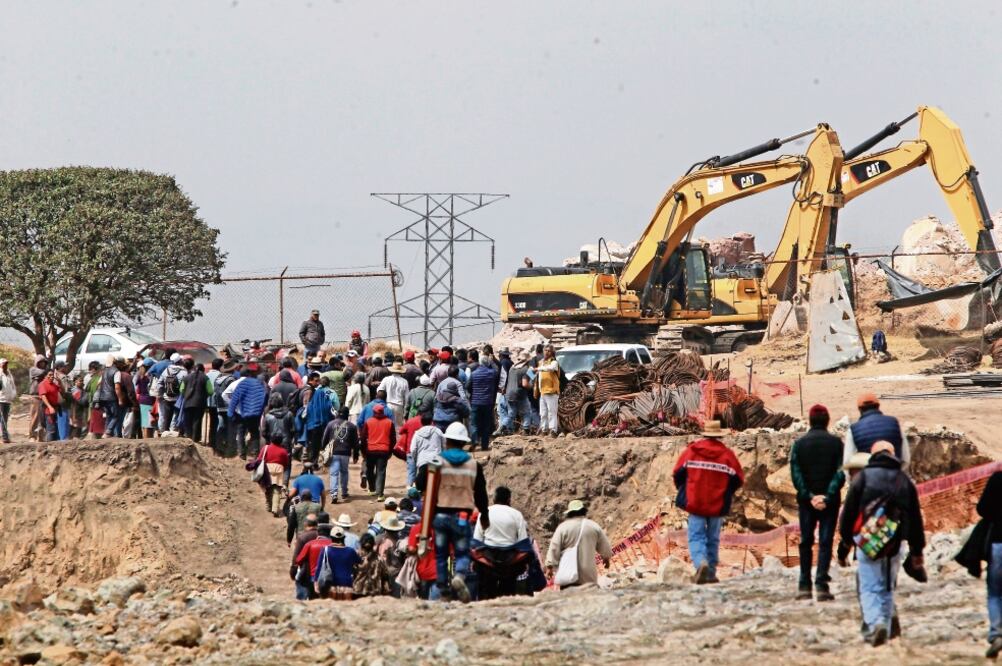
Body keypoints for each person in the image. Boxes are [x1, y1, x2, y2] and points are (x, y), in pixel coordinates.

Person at [837, 442, 926, 646]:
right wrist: (917, 549)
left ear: (872, 456)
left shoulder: (864, 478)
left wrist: (845, 542)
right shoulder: (903, 480)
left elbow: (848, 513)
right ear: (893, 455)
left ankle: (875, 623)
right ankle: (884, 625)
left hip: (867, 539)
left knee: (868, 587)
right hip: (894, 542)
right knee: (887, 585)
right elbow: (914, 517)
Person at [415, 422, 489, 602]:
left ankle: (443, 589)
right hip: (462, 517)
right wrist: (485, 517)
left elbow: (420, 482)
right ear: (464, 443)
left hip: (440, 516)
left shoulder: (437, 461)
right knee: (462, 552)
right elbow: (481, 494)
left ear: (447, 441)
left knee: (441, 554)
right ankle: (459, 577)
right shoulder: (474, 465)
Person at [672, 420, 745, 584]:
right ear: (719, 435)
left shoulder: (691, 452)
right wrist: (726, 492)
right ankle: (710, 573)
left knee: (696, 537)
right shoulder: (727, 456)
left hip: (695, 502)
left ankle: (701, 564)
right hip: (717, 504)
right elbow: (738, 479)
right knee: (713, 538)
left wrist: (685, 490)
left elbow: (677, 474)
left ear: (704, 434)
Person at [789, 404, 844, 601]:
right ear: (827, 421)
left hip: (806, 502)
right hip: (829, 502)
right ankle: (821, 584)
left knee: (806, 541)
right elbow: (840, 473)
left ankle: (804, 584)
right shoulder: (836, 443)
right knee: (826, 541)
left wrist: (809, 496)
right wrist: (827, 495)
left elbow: (796, 474)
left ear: (810, 421)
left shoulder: (800, 444)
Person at [473, 486, 531, 599]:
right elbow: (523, 542)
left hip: (488, 559)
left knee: (486, 591)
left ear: (494, 499)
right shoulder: (517, 515)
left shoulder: (484, 513)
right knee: (508, 591)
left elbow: (477, 540)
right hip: (510, 561)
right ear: (509, 500)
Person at [545, 500, 613, 589]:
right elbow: (604, 546)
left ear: (569, 513)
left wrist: (549, 567)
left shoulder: (562, 528)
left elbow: (554, 548)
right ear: (583, 511)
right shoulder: (593, 526)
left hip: (568, 575)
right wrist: (606, 558)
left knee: (571, 600)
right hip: (588, 575)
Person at [844, 393, 910, 468]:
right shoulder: (894, 423)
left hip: (867, 475)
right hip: (894, 471)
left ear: (859, 409)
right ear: (878, 406)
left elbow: (848, 461)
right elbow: (905, 458)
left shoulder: (854, 429)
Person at [976, 471, 1002, 658]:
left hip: (998, 542)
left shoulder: (997, 479)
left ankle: (997, 633)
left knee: (995, 592)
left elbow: (982, 509)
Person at [228, 362, 267, 459]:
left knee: (241, 432)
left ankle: (241, 454)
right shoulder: (259, 384)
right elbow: (264, 397)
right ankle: (255, 454)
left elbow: (234, 399)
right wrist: (261, 410)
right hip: (255, 413)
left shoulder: (242, 384)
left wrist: (230, 413)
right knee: (254, 433)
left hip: (242, 413)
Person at [322, 406, 359, 504]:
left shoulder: (331, 424)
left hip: (334, 452)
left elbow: (324, 439)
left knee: (334, 473)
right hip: (346, 453)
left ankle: (334, 494)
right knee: (344, 472)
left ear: (338, 413)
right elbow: (355, 443)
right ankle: (344, 492)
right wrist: (356, 455)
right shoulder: (352, 426)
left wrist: (323, 450)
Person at [248, 434, 292, 516]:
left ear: (271, 440)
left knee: (267, 488)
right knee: (277, 490)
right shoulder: (283, 451)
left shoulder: (266, 448)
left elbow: (260, 458)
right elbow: (286, 463)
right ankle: (275, 509)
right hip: (279, 470)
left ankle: (268, 505)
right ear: (281, 441)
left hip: (267, 469)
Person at [360, 403, 395, 501]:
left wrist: (363, 451)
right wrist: (390, 451)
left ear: (373, 412)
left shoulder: (368, 422)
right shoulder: (389, 422)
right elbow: (393, 439)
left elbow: (363, 438)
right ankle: (380, 494)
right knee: (381, 472)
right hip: (384, 451)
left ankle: (372, 489)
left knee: (369, 470)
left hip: (370, 451)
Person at [316, 528, 362, 600]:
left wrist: (316, 583)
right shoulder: (351, 551)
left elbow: (319, 568)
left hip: (330, 586)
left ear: (331, 538)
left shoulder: (325, 550)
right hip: (347, 585)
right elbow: (359, 563)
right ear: (343, 538)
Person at [295, 518, 334, 599]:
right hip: (331, 578)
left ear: (318, 533)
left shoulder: (310, 544)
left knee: (313, 600)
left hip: (313, 577)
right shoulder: (334, 545)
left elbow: (298, 560)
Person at [262, 392, 295, 480]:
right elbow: (293, 430)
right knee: (287, 464)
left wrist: (269, 439)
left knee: (272, 462)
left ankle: (272, 482)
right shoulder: (289, 414)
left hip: (272, 443)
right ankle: (284, 484)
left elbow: (263, 432)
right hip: (286, 442)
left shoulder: (268, 416)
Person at [468, 357, 499, 451]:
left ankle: (475, 440)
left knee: (474, 423)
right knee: (486, 424)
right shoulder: (492, 373)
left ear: (480, 363)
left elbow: (468, 386)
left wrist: (473, 393)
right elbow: (497, 369)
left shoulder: (473, 374)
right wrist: (492, 360)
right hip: (488, 402)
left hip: (475, 402)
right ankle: (484, 445)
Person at [181, 356, 212, 443]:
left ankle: (189, 438)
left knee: (188, 421)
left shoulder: (186, 378)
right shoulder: (205, 378)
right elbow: (210, 391)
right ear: (203, 370)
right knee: (197, 421)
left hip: (187, 402)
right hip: (200, 403)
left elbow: (181, 390)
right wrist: (205, 395)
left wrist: (186, 395)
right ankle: (196, 439)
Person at [290, 513, 321, 600]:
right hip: (320, 573)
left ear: (306, 524)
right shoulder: (321, 536)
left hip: (305, 572)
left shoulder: (302, 537)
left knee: (301, 599)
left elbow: (297, 557)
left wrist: (293, 571)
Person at [213, 360, 239, 456]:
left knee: (221, 427)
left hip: (219, 406)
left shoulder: (217, 379)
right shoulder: (231, 380)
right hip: (229, 406)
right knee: (231, 428)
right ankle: (230, 449)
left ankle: (219, 448)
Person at [97, 356, 127, 438]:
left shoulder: (104, 372)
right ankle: (108, 432)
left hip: (103, 397)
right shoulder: (116, 372)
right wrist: (120, 399)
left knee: (109, 415)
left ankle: (106, 433)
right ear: (115, 363)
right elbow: (117, 387)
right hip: (112, 397)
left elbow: (98, 384)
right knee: (116, 415)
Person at [157, 353, 187, 433]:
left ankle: (166, 432)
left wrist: (160, 394)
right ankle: (175, 432)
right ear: (180, 361)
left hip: (167, 397)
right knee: (177, 416)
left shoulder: (166, 371)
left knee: (167, 416)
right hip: (178, 398)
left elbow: (160, 383)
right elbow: (184, 386)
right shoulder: (184, 372)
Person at [433, 365, 470, 432]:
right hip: (453, 419)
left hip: (439, 418)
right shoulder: (458, 383)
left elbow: (436, 398)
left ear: (447, 373)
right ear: (457, 374)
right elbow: (463, 398)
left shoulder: (441, 383)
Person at [353, 533, 390, 597]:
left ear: (361, 544)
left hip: (358, 591)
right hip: (374, 593)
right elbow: (385, 576)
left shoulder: (356, 557)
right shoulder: (379, 559)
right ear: (373, 545)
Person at [535, 345, 561, 436]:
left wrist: (538, 369)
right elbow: (536, 375)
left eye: (549, 351)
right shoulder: (541, 363)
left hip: (551, 391)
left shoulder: (554, 362)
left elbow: (550, 368)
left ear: (552, 353)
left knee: (552, 412)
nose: (546, 352)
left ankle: (553, 430)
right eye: (545, 350)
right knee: (543, 413)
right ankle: (544, 429)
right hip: (543, 391)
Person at [378, 362, 410, 429]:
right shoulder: (404, 381)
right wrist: (406, 410)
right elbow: (407, 397)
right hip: (399, 406)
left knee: (388, 426)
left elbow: (379, 390)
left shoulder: (386, 379)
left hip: (389, 404)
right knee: (398, 427)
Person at [37, 368, 63, 441]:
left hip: (54, 409)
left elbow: (62, 391)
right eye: (49, 375)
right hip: (47, 410)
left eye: (52, 375)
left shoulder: (54, 384)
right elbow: (43, 396)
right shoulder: (43, 384)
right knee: (51, 429)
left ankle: (55, 445)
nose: (51, 376)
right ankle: (49, 446)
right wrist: (50, 407)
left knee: (55, 429)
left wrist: (60, 382)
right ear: (45, 376)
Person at [134, 359, 156, 439]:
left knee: (144, 423)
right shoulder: (150, 377)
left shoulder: (140, 376)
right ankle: (148, 440)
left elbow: (138, 390)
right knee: (149, 424)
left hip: (141, 401)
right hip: (149, 401)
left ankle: (145, 438)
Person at [28, 355, 48, 442]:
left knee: (42, 418)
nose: (43, 364)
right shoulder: (33, 370)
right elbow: (40, 373)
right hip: (36, 396)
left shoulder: (45, 371)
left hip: (44, 396)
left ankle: (41, 436)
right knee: (35, 416)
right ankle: (32, 435)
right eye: (41, 362)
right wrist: (46, 371)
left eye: (44, 362)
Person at [0, 358, 16, 443]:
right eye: (3, 364)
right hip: (1, 400)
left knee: (5, 419)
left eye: (6, 364)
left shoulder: (9, 374)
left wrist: (13, 394)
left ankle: (5, 436)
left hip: (8, 400)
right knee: (2, 419)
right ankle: (4, 437)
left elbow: (13, 385)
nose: (5, 365)